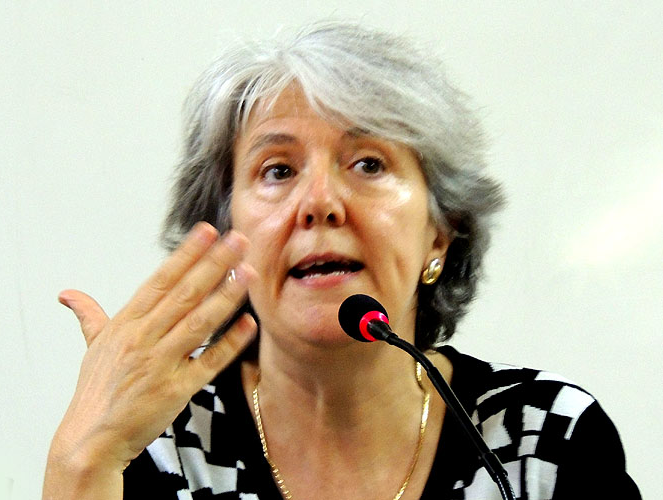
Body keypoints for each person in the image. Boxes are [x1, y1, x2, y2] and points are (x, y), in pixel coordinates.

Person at [43, 22, 640, 499]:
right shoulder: (159, 448)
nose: (320, 203)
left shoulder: (545, 443)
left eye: (368, 164)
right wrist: (81, 463)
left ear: (439, 235)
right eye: (278, 170)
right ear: (226, 236)